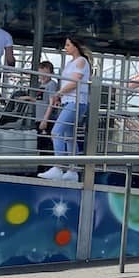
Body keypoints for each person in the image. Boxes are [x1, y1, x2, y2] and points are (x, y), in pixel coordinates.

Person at [39, 36, 91, 181]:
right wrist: (60, 96)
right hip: (69, 101)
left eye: (68, 45)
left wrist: (59, 93)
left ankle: (58, 166)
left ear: (75, 46)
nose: (65, 47)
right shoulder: (71, 63)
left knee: (56, 131)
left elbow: (75, 82)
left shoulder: (81, 61)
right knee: (69, 137)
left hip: (76, 101)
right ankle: (72, 171)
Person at [18, 61, 57, 157]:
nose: (42, 76)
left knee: (46, 144)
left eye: (45, 74)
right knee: (41, 144)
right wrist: (30, 98)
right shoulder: (43, 86)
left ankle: (46, 166)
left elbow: (51, 102)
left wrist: (45, 119)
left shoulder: (51, 84)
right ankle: (43, 166)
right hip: (40, 118)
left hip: (46, 119)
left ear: (51, 73)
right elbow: (42, 100)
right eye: (41, 73)